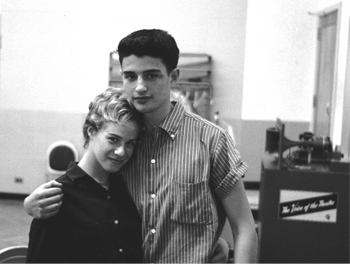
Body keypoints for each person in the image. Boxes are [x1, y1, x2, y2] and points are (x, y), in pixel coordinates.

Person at [24, 29, 258, 263]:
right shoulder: (125, 146)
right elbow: (87, 187)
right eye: (130, 76)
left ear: (173, 76)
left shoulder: (212, 141)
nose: (140, 87)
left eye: (151, 75)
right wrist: (31, 204)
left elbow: (244, 226)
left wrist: (214, 241)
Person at [26, 87, 143, 263]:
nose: (121, 152)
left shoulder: (126, 187)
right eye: (113, 139)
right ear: (91, 131)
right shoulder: (56, 197)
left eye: (130, 143)